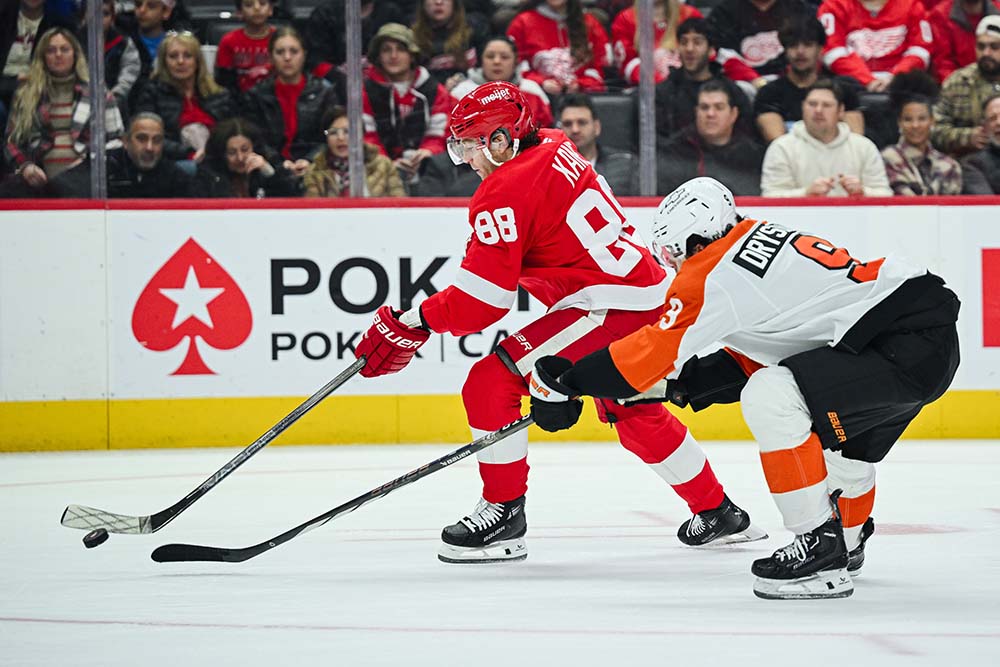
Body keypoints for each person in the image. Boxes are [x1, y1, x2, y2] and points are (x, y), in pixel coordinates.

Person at [351, 81, 766, 564]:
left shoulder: (502, 189)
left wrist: (415, 320)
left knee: (490, 382)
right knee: (632, 409)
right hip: (646, 291)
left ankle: (503, 515)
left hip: (609, 305)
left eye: (470, 144)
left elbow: (482, 305)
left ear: (503, 140)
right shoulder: (551, 142)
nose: (466, 159)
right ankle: (719, 513)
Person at [527, 176, 960, 599]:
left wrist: (567, 383)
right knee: (836, 445)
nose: (675, 268)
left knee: (772, 396)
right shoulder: (756, 240)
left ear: (697, 243)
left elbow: (649, 352)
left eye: (674, 255)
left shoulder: (709, 272)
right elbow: (766, 351)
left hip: (894, 349)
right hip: (916, 340)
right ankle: (844, 542)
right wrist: (675, 389)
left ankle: (817, 545)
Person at [2, 27, 124, 198]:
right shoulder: (26, 94)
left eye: (64, 49)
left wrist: (89, 161)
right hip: (39, 175)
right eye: (51, 50)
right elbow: (11, 142)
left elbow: (116, 141)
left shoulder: (98, 93)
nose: (58, 55)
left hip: (86, 176)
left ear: (75, 54)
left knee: (64, 187)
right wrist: (26, 167)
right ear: (43, 57)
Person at [761, 80, 893, 196]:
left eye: (826, 105)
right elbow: (770, 195)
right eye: (812, 104)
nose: (818, 110)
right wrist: (805, 193)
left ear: (841, 111)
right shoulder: (782, 147)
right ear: (803, 107)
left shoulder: (864, 147)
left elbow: (885, 194)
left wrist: (863, 191)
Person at [362, 23, 456, 186]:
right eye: (386, 50)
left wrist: (427, 152)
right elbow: (367, 136)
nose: (393, 56)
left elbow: (440, 133)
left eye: (400, 49)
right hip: (378, 171)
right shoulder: (366, 91)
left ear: (412, 55)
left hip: (427, 169)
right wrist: (385, 163)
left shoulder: (434, 90)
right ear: (378, 56)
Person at [244, 27, 340, 178]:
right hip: (269, 168)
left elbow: (331, 134)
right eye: (280, 52)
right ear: (270, 57)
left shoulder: (324, 91)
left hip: (317, 168)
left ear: (304, 55)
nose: (287, 58)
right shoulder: (256, 95)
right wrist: (278, 162)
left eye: (294, 51)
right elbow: (256, 138)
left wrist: (310, 160)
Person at [754, 16, 864, 144]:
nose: (800, 52)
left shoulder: (844, 90)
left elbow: (857, 141)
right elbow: (778, 144)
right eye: (793, 45)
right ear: (785, 51)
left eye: (808, 45)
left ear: (821, 49)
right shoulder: (769, 93)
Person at [134, 31, 234, 162]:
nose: (180, 62)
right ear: (164, 62)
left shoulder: (219, 95)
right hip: (175, 162)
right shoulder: (151, 93)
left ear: (197, 61)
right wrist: (188, 154)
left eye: (187, 56)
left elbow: (232, 134)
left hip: (217, 160)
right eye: (173, 56)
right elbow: (149, 138)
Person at [657, 79, 765, 195]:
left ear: (733, 114)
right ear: (696, 112)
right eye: (704, 107)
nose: (710, 114)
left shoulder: (753, 155)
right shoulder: (674, 151)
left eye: (719, 107)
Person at [654, 18, 754, 141]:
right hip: (677, 158)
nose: (689, 49)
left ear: (711, 50)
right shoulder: (662, 93)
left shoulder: (732, 92)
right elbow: (657, 143)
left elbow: (746, 137)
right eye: (684, 42)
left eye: (697, 42)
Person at [817, 0, 934, 92]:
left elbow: (920, 51)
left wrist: (895, 79)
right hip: (850, 87)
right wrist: (868, 80)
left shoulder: (912, 6)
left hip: (902, 87)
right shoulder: (834, 6)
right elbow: (832, 52)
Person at [881, 72, 963, 194]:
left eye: (922, 119)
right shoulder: (888, 158)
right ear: (899, 123)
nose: (915, 125)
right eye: (908, 119)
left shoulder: (950, 166)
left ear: (932, 121)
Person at [506, 0, 611, 94]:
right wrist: (542, 82)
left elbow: (600, 67)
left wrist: (580, 84)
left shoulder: (590, 23)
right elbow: (515, 67)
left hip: (583, 96)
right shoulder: (522, 23)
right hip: (538, 95)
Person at [450, 35, 554, 129]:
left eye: (505, 57)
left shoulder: (532, 90)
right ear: (481, 60)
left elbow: (546, 131)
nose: (497, 61)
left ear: (516, 62)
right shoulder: (461, 93)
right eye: (490, 56)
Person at [932, 15, 1000, 155]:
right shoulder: (957, 83)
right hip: (967, 162)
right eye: (981, 46)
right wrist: (966, 137)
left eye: (994, 47)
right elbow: (933, 129)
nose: (986, 53)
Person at [303, 105, 406, 197]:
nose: (340, 138)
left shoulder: (383, 165)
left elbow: (399, 204)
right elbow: (312, 212)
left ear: (361, 135)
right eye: (333, 132)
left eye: (347, 131)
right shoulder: (315, 171)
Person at [707, 0, 812, 84]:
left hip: (790, 81)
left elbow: (810, 48)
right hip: (741, 84)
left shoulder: (798, 9)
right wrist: (755, 80)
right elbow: (722, 53)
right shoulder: (724, 12)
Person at [193, 117, 299, 197]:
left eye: (245, 150)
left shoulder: (268, 166)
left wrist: (269, 173)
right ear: (222, 154)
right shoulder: (207, 175)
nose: (240, 158)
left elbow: (291, 198)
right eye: (232, 152)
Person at [558, 93, 638, 195]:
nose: (575, 130)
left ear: (596, 127)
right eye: (567, 124)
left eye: (582, 122)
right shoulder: (551, 171)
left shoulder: (626, 164)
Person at [107, 112, 195, 197]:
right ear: (126, 141)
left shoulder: (175, 177)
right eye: (142, 139)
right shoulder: (107, 169)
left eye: (157, 140)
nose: (150, 147)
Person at [412, 0, 490, 89]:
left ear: (454, 3)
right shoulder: (412, 36)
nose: (438, 2)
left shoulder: (475, 29)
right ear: (423, 4)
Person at [214, 0, 276, 96]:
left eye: (262, 3)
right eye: (249, 5)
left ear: (270, 9)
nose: (257, 8)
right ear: (239, 13)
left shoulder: (280, 39)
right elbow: (223, 81)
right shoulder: (228, 41)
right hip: (239, 100)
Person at [928, 0, 1000, 82]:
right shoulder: (941, 15)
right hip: (959, 85)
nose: (986, 52)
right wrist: (960, 86)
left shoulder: (998, 9)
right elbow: (943, 63)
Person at [961, 92, 1000, 191]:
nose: (999, 122)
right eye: (992, 118)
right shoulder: (973, 165)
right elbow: (987, 205)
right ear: (985, 127)